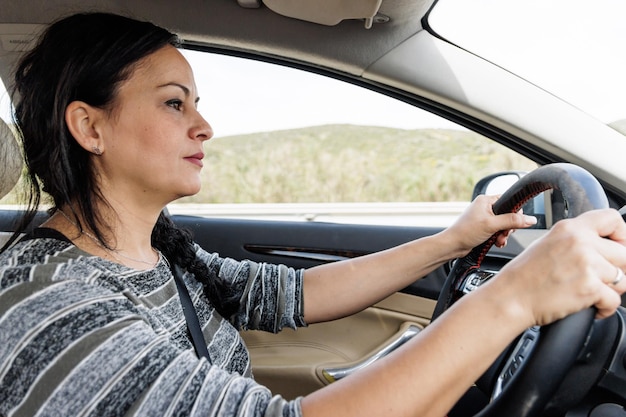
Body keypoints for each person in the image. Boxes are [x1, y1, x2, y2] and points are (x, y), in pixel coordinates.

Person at [0, 12, 625, 417]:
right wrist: (512, 299)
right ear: (89, 126)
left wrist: (454, 240)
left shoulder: (159, 254)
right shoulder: (48, 305)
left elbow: (290, 294)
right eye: (173, 104)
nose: (205, 126)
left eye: (196, 103)